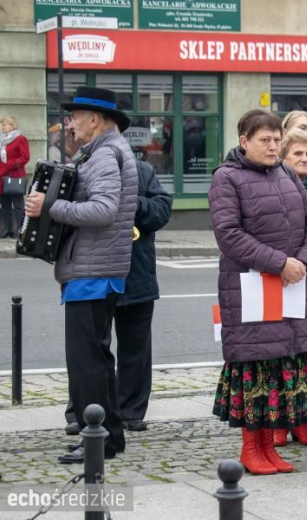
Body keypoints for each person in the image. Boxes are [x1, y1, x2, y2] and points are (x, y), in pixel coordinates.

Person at [25, 87, 138, 463]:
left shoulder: (106, 154)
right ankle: (110, 437)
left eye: (74, 117)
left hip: (93, 270)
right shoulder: (108, 151)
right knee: (99, 359)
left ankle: (98, 441)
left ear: (95, 118)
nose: (70, 125)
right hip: (97, 268)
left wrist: (50, 206)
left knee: (86, 363)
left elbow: (103, 210)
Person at [209, 110, 307, 475]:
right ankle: (251, 447)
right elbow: (228, 234)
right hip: (251, 288)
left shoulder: (288, 173)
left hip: (291, 284)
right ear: (244, 141)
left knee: (279, 366)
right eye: (265, 140)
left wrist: (304, 262)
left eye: (277, 139)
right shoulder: (226, 178)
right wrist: (279, 262)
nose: (273, 146)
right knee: (255, 367)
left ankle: (268, 447)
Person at [64, 159, 172, 435]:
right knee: (89, 350)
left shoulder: (142, 170)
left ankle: (130, 411)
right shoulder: (79, 170)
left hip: (137, 274)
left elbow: (161, 212)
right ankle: (82, 411)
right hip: (91, 273)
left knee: (135, 350)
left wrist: (132, 203)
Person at [273, 127, 307, 447]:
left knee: (305, 351)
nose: (305, 159)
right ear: (283, 157)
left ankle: (303, 421)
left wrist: (306, 262)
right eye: (298, 153)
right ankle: (279, 421)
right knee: (280, 351)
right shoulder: (274, 184)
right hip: (275, 274)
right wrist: (282, 262)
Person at [0, 116, 30, 238]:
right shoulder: (1, 140)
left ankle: (21, 230)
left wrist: (10, 164)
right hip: (1, 177)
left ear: (13, 126)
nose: (2, 127)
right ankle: (7, 231)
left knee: (18, 205)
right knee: (5, 205)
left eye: (5, 124)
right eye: (2, 125)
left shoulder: (20, 139)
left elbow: (25, 157)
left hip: (14, 177)